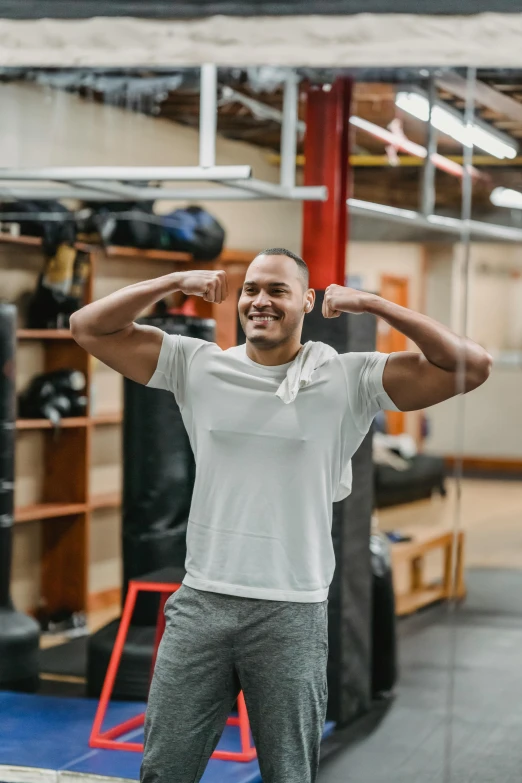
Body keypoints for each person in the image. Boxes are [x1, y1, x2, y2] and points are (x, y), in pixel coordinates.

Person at [70, 247, 491, 783]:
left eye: (277, 291)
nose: (259, 301)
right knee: (163, 771)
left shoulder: (348, 380)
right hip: (202, 603)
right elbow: (87, 327)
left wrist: (372, 303)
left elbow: (470, 366)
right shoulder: (196, 366)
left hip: (291, 612)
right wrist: (175, 280)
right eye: (251, 289)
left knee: (289, 775)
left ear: (307, 302)